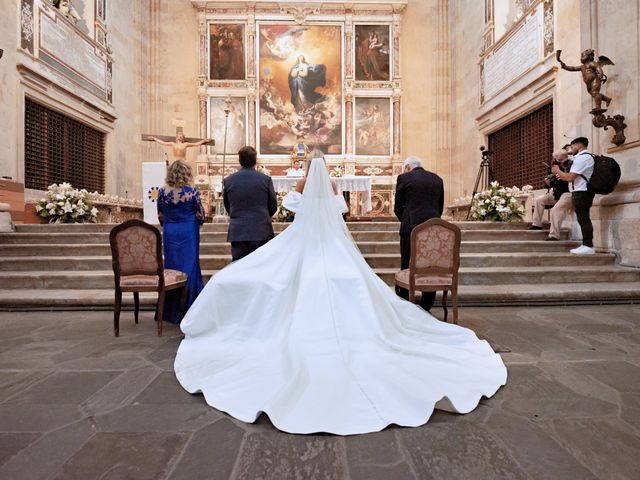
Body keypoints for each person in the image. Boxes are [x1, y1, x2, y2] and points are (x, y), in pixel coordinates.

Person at [174, 151, 506, 435]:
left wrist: (303, 204)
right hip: (332, 246)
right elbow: (340, 211)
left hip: (303, 241)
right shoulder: (333, 185)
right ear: (327, 168)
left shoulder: (302, 185)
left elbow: (290, 205)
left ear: (307, 170)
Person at [394, 156, 445, 311]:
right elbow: (440, 205)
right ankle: (427, 302)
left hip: (410, 227)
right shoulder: (437, 179)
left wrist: (405, 220)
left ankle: (405, 299)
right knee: (430, 263)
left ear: (408, 167)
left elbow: (398, 206)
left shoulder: (404, 178)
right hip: (433, 228)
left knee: (407, 262)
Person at [157, 160, 205, 324]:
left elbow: (160, 215)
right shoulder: (192, 191)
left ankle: (171, 309)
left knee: (172, 267)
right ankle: (191, 308)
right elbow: (200, 214)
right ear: (187, 173)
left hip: (170, 232)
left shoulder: (162, 192)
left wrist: (171, 223)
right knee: (190, 266)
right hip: (188, 231)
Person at [223, 146, 278, 261]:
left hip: (238, 231)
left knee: (238, 268)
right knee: (260, 267)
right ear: (255, 160)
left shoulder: (228, 180)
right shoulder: (265, 179)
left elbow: (228, 206)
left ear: (239, 161)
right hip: (261, 229)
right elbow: (273, 206)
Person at [552, 137, 595, 254]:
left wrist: (558, 171)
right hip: (580, 191)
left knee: (584, 219)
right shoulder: (583, 158)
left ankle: (588, 246)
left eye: (572, 147)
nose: (571, 150)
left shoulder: (582, 158)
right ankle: (586, 244)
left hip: (582, 192)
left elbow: (570, 177)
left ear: (578, 146)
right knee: (582, 219)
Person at [529, 149, 572, 241]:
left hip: (567, 192)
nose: (554, 159)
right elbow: (552, 182)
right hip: (556, 192)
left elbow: (569, 178)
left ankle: (554, 235)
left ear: (562, 157)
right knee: (539, 200)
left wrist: (558, 172)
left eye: (556, 157)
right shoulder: (555, 166)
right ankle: (537, 224)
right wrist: (548, 181)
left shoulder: (570, 164)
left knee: (556, 209)